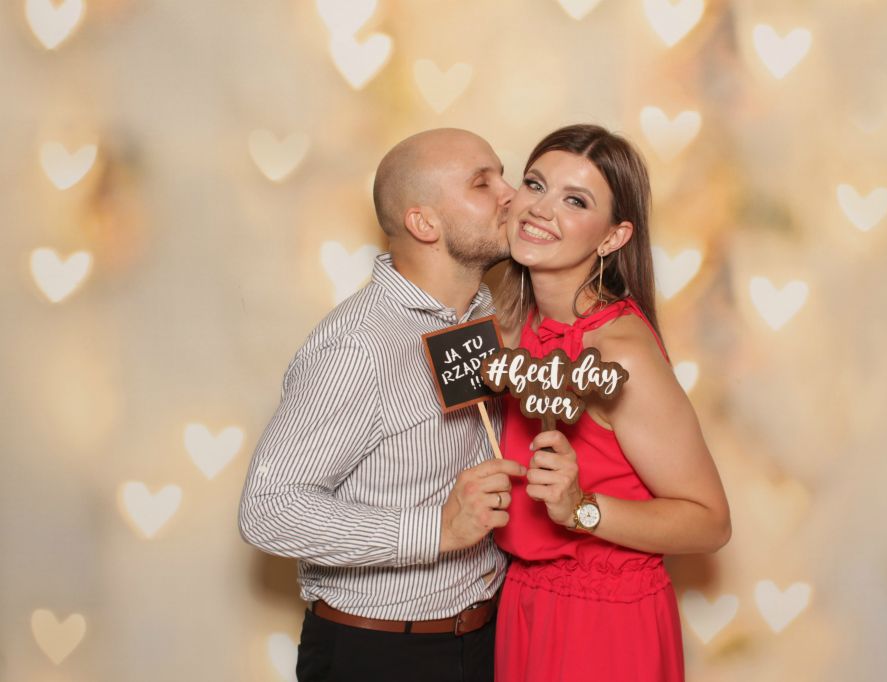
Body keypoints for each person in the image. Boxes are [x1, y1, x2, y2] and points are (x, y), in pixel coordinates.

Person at [238, 128, 527, 682]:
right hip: (382, 653)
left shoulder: (482, 315)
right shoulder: (359, 347)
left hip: (483, 638)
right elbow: (268, 508)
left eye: (502, 176)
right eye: (482, 183)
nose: (510, 194)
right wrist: (435, 529)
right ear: (424, 223)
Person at [491, 124, 732, 681]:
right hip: (522, 603)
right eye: (535, 184)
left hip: (604, 624)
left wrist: (580, 508)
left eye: (575, 201)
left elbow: (710, 522)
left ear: (612, 237)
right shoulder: (516, 328)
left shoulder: (619, 352)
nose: (540, 209)